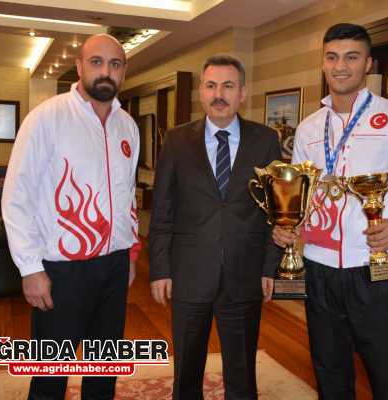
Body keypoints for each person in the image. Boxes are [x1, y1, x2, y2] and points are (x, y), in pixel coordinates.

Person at [272, 23, 388, 400]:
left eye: (351, 57)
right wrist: (290, 226)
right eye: (332, 57)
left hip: (374, 267)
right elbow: (302, 195)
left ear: (368, 63)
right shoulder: (308, 129)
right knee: (329, 372)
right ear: (323, 63)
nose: (341, 66)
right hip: (318, 268)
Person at [1, 33, 140, 399]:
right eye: (96, 62)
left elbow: (127, 195)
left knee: (103, 371)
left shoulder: (128, 126)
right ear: (79, 67)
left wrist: (130, 253)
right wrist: (30, 268)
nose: (105, 71)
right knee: (50, 377)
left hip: (114, 266)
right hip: (61, 270)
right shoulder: (46, 118)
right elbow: (16, 196)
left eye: (115, 64)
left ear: (123, 71)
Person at [148, 54, 282, 400]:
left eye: (228, 86)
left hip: (245, 273)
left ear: (242, 93)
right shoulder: (176, 140)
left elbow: (277, 212)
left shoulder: (266, 140)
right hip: (189, 273)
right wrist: (160, 269)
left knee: (242, 373)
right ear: (201, 92)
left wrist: (271, 266)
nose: (218, 94)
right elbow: (162, 210)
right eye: (211, 86)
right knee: (186, 372)